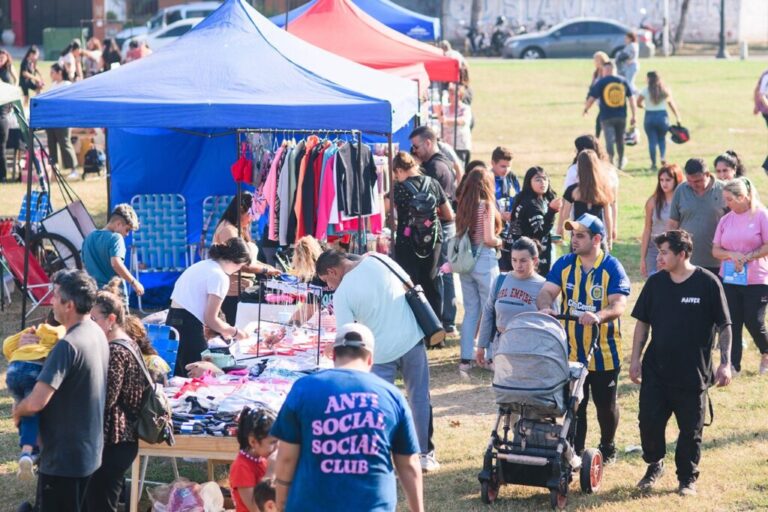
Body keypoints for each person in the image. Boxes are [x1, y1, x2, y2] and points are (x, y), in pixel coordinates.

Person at [271, 323, 424, 512]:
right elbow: (409, 464)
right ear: (370, 360)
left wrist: (282, 503)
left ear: (334, 355)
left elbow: (286, 457)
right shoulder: (392, 396)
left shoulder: (303, 389)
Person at [630, 230, 732, 496]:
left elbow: (725, 326)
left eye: (664, 252)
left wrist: (725, 363)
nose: (659, 257)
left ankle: (687, 478)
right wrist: (635, 360)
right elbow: (643, 323)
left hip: (692, 373)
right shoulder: (655, 284)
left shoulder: (707, 283)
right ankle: (654, 464)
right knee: (648, 422)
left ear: (682, 254)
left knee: (691, 430)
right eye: (659, 252)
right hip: (656, 370)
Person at [315, 251, 438, 472]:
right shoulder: (379, 259)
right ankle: (425, 453)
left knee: (378, 405)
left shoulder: (342, 293)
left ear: (332, 271)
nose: (329, 286)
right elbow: (409, 284)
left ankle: (381, 454)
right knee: (419, 397)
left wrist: (330, 347)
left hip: (379, 353)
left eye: (327, 281)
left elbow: (347, 333)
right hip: (411, 338)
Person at [537, 213, 631, 462]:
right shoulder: (565, 264)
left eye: (580, 235)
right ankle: (575, 453)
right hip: (571, 351)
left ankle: (607, 445)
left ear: (597, 238)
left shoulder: (612, 267)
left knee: (605, 405)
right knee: (574, 405)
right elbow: (546, 292)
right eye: (572, 235)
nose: (574, 240)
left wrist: (599, 316)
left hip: (604, 350)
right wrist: (546, 306)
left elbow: (619, 305)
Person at [13, 269, 108, 512]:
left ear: (70, 305)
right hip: (88, 452)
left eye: (56, 296)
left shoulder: (67, 346)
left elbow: (36, 402)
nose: (52, 301)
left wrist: (18, 411)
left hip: (64, 460)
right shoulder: (96, 332)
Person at [85, 290, 146, 512]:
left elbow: (106, 398)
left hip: (114, 441)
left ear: (111, 319)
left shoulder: (116, 351)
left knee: (101, 504)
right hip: (120, 439)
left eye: (94, 319)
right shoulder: (128, 344)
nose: (89, 325)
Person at [166, 238, 251, 376]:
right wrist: (235, 332)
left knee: (178, 377)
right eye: (241, 266)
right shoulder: (219, 276)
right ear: (237, 262)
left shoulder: (203, 265)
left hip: (172, 320)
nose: (239, 270)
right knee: (197, 378)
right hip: (189, 327)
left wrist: (224, 330)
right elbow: (210, 319)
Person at [712, 178, 768, 375]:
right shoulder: (725, 220)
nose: (726, 204)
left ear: (742, 197)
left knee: (754, 320)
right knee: (732, 321)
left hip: (757, 278)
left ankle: (766, 352)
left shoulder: (761, 215)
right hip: (730, 279)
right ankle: (733, 365)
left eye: (729, 199)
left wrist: (749, 256)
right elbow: (716, 250)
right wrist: (731, 255)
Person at [3, 312, 64, 479]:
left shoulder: (36, 332)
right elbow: (64, 340)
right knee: (31, 410)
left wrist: (23, 335)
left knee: (22, 408)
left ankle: (29, 449)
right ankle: (29, 451)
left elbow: (7, 345)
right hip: (33, 370)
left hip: (13, 370)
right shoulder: (59, 333)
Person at [409, 126, 458, 334]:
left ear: (428, 142)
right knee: (443, 272)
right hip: (445, 226)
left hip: (442, 228)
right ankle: (447, 319)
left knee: (440, 273)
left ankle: (446, 320)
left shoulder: (434, 169)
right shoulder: (443, 162)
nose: (414, 152)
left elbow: (437, 206)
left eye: (416, 146)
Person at [392, 151, 454, 316]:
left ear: (398, 170)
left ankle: (414, 326)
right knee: (432, 281)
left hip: (407, 241)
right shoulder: (433, 183)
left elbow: (384, 211)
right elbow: (449, 214)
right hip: (433, 239)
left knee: (409, 282)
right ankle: (435, 330)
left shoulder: (397, 189)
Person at [455, 165, 502, 374]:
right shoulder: (486, 206)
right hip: (484, 258)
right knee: (490, 308)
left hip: (465, 261)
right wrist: (501, 242)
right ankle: (490, 356)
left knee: (471, 311)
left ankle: (466, 358)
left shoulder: (463, 204)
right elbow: (489, 238)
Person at [476, 237, 547, 367]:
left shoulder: (543, 285)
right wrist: (481, 345)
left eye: (523, 261)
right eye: (514, 260)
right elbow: (488, 312)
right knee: (503, 386)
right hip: (502, 347)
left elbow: (552, 322)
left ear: (535, 260)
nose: (518, 265)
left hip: (531, 350)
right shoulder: (500, 280)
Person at [212, 192, 280, 325]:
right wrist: (266, 270)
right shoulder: (228, 230)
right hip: (233, 292)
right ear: (241, 211)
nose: (252, 219)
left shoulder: (240, 229)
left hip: (243, 289)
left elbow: (250, 260)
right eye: (251, 214)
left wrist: (269, 267)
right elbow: (241, 263)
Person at [667, 158, 726, 275]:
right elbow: (673, 224)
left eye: (698, 181)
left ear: (707, 174)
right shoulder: (681, 190)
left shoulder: (724, 190)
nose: (693, 185)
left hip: (718, 262)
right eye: (689, 181)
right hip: (687, 261)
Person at [558, 135, 619, 241]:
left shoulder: (573, 173)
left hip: (578, 229)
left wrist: (560, 228)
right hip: (600, 230)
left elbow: (565, 209)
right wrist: (613, 228)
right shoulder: (609, 171)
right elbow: (612, 204)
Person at [509, 166, 562, 275]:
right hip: (531, 257)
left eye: (545, 179)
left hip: (524, 253)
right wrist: (552, 211)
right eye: (537, 179)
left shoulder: (537, 200)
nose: (542, 182)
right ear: (529, 182)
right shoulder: (530, 204)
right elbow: (540, 232)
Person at [81, 203, 143, 297]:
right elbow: (115, 263)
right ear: (118, 224)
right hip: (113, 293)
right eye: (127, 230)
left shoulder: (89, 237)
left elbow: (84, 264)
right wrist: (134, 282)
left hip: (93, 292)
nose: (127, 235)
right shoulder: (116, 238)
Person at [584, 60, 637, 169]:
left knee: (609, 140)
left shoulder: (601, 82)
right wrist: (634, 115)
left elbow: (592, 98)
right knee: (620, 139)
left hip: (606, 116)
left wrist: (586, 109)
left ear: (605, 70)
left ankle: (611, 162)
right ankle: (621, 160)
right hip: (621, 116)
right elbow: (632, 99)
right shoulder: (623, 81)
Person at [563, 150, 615, 250]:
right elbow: (608, 217)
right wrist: (609, 238)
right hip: (597, 236)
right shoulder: (603, 190)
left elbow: (565, 215)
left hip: (578, 236)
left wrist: (561, 230)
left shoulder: (573, 191)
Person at [229, 406, 278, 512]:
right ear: (253, 442)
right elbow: (255, 508)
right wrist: (270, 472)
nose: (277, 447)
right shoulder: (241, 467)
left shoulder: (263, 459)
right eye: (273, 442)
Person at [641, 163, 683, 277]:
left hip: (675, 248)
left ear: (676, 180)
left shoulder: (682, 201)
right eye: (661, 180)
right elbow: (647, 229)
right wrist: (643, 258)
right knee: (654, 283)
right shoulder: (653, 201)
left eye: (668, 180)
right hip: (654, 247)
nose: (664, 183)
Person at [637, 71, 682, 170]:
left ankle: (653, 163)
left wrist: (644, 107)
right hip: (662, 117)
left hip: (649, 116)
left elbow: (638, 103)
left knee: (651, 141)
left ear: (648, 79)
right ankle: (662, 157)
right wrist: (677, 116)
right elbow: (671, 104)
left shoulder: (645, 90)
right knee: (662, 139)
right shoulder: (665, 90)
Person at [45, 63, 79, 179]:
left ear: (59, 72)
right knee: (51, 144)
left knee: (64, 143)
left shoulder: (67, 84)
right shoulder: (54, 84)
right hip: (51, 119)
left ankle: (74, 169)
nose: (50, 75)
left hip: (63, 119)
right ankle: (54, 170)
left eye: (52, 72)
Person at [490, 146, 521, 272]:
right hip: (494, 229)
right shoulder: (487, 178)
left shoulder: (512, 177)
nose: (506, 170)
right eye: (503, 166)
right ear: (493, 163)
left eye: (509, 166)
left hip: (511, 227)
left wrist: (514, 213)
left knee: (512, 265)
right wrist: (499, 215)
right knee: (499, 268)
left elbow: (519, 197)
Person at [439, 83, 473, 166]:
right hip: (445, 146)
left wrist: (447, 121)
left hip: (460, 146)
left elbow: (463, 121)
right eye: (449, 93)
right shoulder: (444, 107)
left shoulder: (465, 108)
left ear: (460, 95)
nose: (450, 96)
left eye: (453, 94)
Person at [0, 49, 16, 182]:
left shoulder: (6, 76)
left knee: (1, 149)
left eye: (2, 58)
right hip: (3, 116)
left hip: (2, 116)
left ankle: (3, 176)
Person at [590, 51, 611, 138]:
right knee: (600, 120)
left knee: (600, 121)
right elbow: (592, 86)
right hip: (599, 100)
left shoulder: (606, 71)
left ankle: (596, 140)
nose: (594, 62)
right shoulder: (596, 72)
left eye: (596, 60)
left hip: (606, 100)